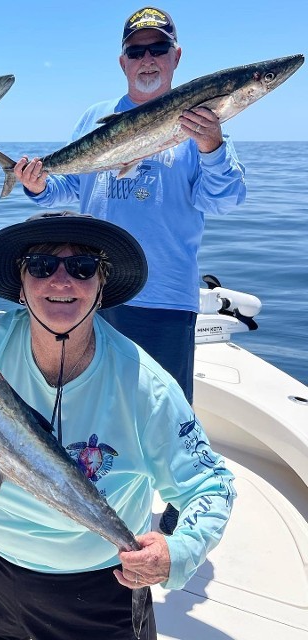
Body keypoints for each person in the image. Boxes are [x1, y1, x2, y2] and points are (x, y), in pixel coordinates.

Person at [0, 211, 236, 640]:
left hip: (96, 588)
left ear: (100, 289)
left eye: (81, 268)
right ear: (22, 287)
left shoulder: (145, 387)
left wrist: (179, 551)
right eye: (42, 266)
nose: (60, 281)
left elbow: (212, 485)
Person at [14, 6, 246, 407]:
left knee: (162, 413)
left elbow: (223, 200)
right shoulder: (94, 118)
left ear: (176, 56)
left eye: (158, 48)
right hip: (92, 288)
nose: (147, 59)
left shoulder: (201, 123)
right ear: (123, 62)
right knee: (89, 407)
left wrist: (212, 146)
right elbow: (66, 188)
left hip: (164, 295)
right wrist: (37, 185)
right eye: (136, 52)